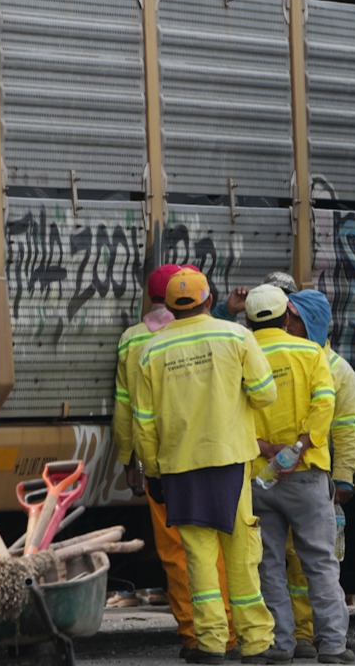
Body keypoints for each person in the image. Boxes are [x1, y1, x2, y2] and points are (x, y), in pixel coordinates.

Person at [132, 268, 282, 664]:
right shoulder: (236, 337)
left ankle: (211, 643)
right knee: (241, 552)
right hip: (230, 460)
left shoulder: (151, 350)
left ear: (169, 305)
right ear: (209, 299)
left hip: (179, 466)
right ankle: (255, 642)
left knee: (198, 557)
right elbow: (265, 395)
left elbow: (143, 423)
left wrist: (153, 472)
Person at [115, 262, 243, 659]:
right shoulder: (221, 334)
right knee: (224, 547)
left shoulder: (135, 342)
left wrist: (132, 462)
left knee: (177, 551)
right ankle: (230, 633)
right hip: (223, 455)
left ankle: (193, 633)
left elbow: (129, 410)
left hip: (168, 461)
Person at [246, 285, 355, 664]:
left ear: (249, 320)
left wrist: (266, 448)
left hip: (259, 477)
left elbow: (231, 412)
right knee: (320, 562)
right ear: (286, 315)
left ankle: (281, 644)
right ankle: (333, 646)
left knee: (269, 564)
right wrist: (299, 447)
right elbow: (325, 404)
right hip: (306, 474)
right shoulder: (311, 353)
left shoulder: (244, 351)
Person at [281, 289, 355, 659]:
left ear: (311, 322)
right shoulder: (286, 355)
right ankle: (302, 632)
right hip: (278, 473)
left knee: (312, 560)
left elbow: (345, 430)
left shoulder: (339, 371)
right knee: (285, 557)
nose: (286, 323)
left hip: (315, 475)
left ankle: (311, 632)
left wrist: (344, 477)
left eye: (294, 318)